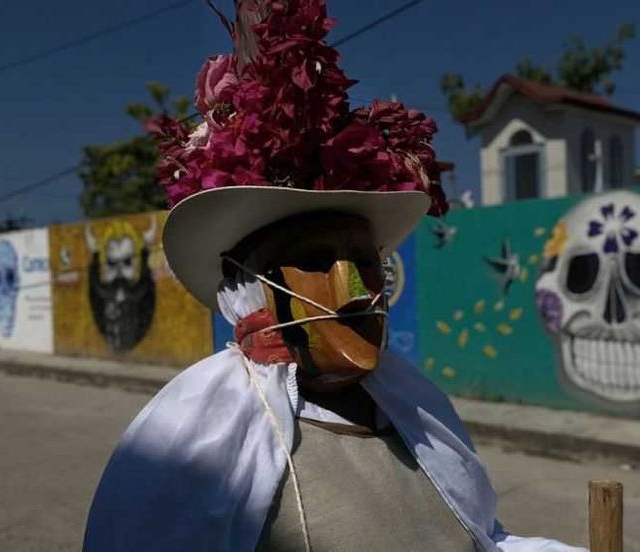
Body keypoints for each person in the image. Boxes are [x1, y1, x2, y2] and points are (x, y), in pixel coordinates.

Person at [83, 2, 587, 551]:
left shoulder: (417, 411)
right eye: (318, 261)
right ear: (250, 285)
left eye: (366, 261)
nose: (356, 291)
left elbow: (485, 541)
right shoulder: (193, 447)